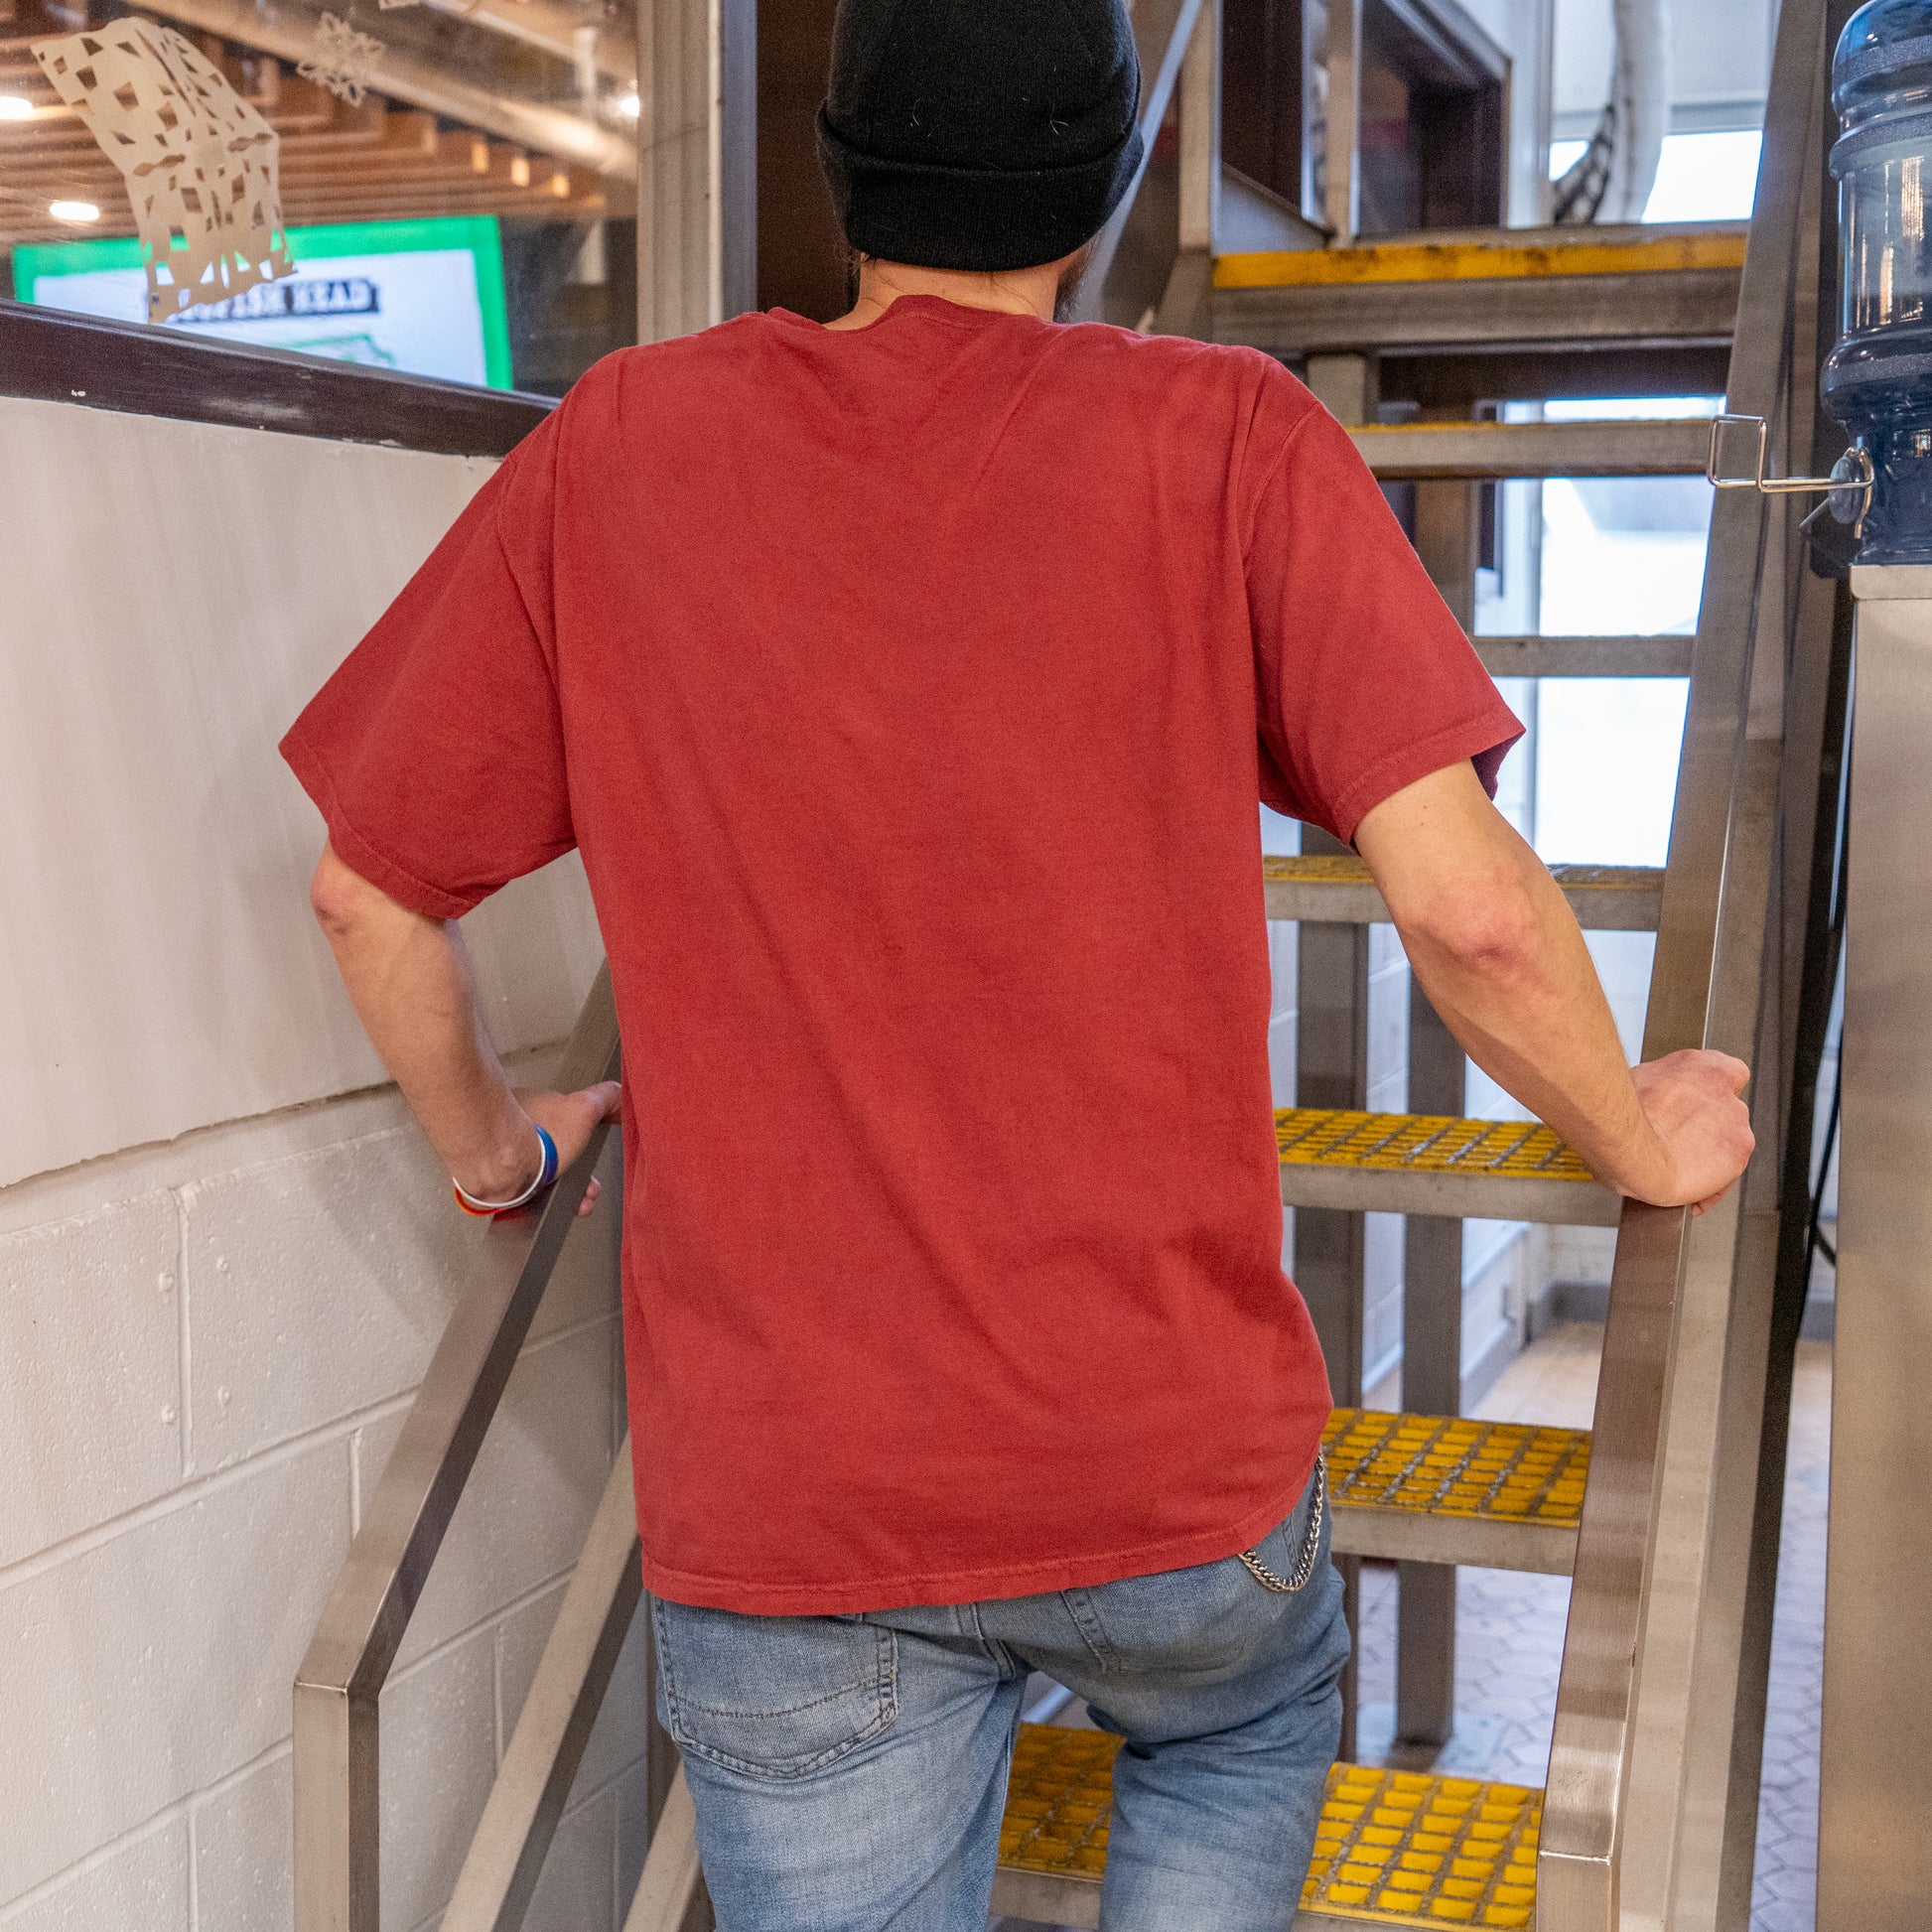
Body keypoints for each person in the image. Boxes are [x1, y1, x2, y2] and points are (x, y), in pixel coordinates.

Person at [282, 0, 1755, 1924]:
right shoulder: (1229, 441)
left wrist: (505, 1157)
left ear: (837, 184)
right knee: (1247, 1712)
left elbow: (369, 898)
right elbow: (1469, 906)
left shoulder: (621, 446)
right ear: (1100, 193)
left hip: (796, 1529)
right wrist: (1633, 1136)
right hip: (1174, 1497)